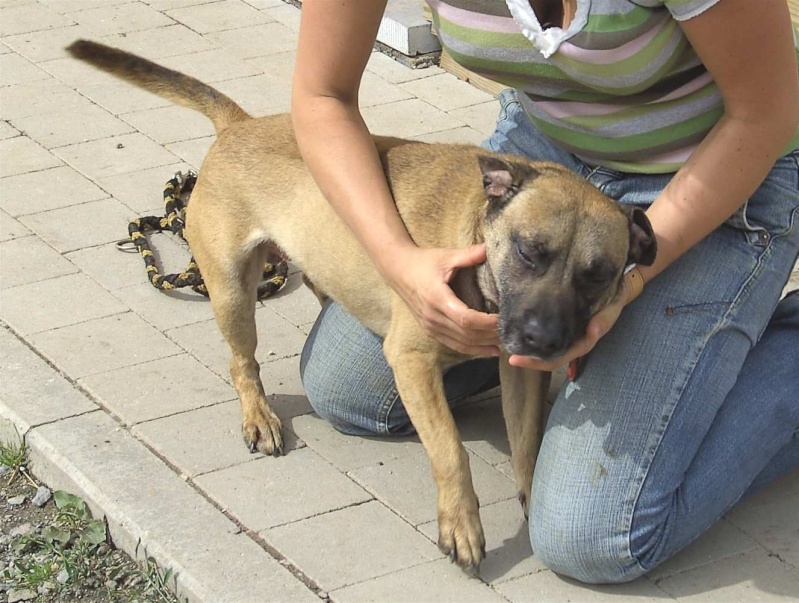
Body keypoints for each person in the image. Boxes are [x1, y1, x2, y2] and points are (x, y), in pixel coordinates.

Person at [290, 0, 799, 584]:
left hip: (715, 173)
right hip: (543, 166)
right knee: (348, 393)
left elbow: (766, 112)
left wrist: (627, 284)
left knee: (592, 534)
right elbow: (322, 97)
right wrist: (399, 262)